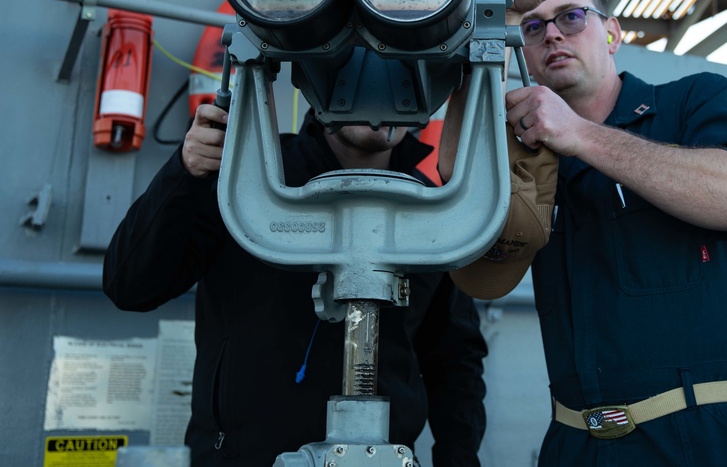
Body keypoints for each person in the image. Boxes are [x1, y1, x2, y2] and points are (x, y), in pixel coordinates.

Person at [455, 0, 727, 465]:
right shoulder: (529, 154)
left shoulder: (697, 102)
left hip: (701, 444)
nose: (552, 36)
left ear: (612, 33)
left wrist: (581, 136)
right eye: (533, 26)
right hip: (573, 446)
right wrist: (488, 15)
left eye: (571, 17)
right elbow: (475, 249)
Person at [103, 104, 488, 466]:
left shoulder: (435, 215)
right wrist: (185, 172)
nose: (376, 85)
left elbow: (455, 365)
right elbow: (131, 286)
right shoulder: (245, 184)